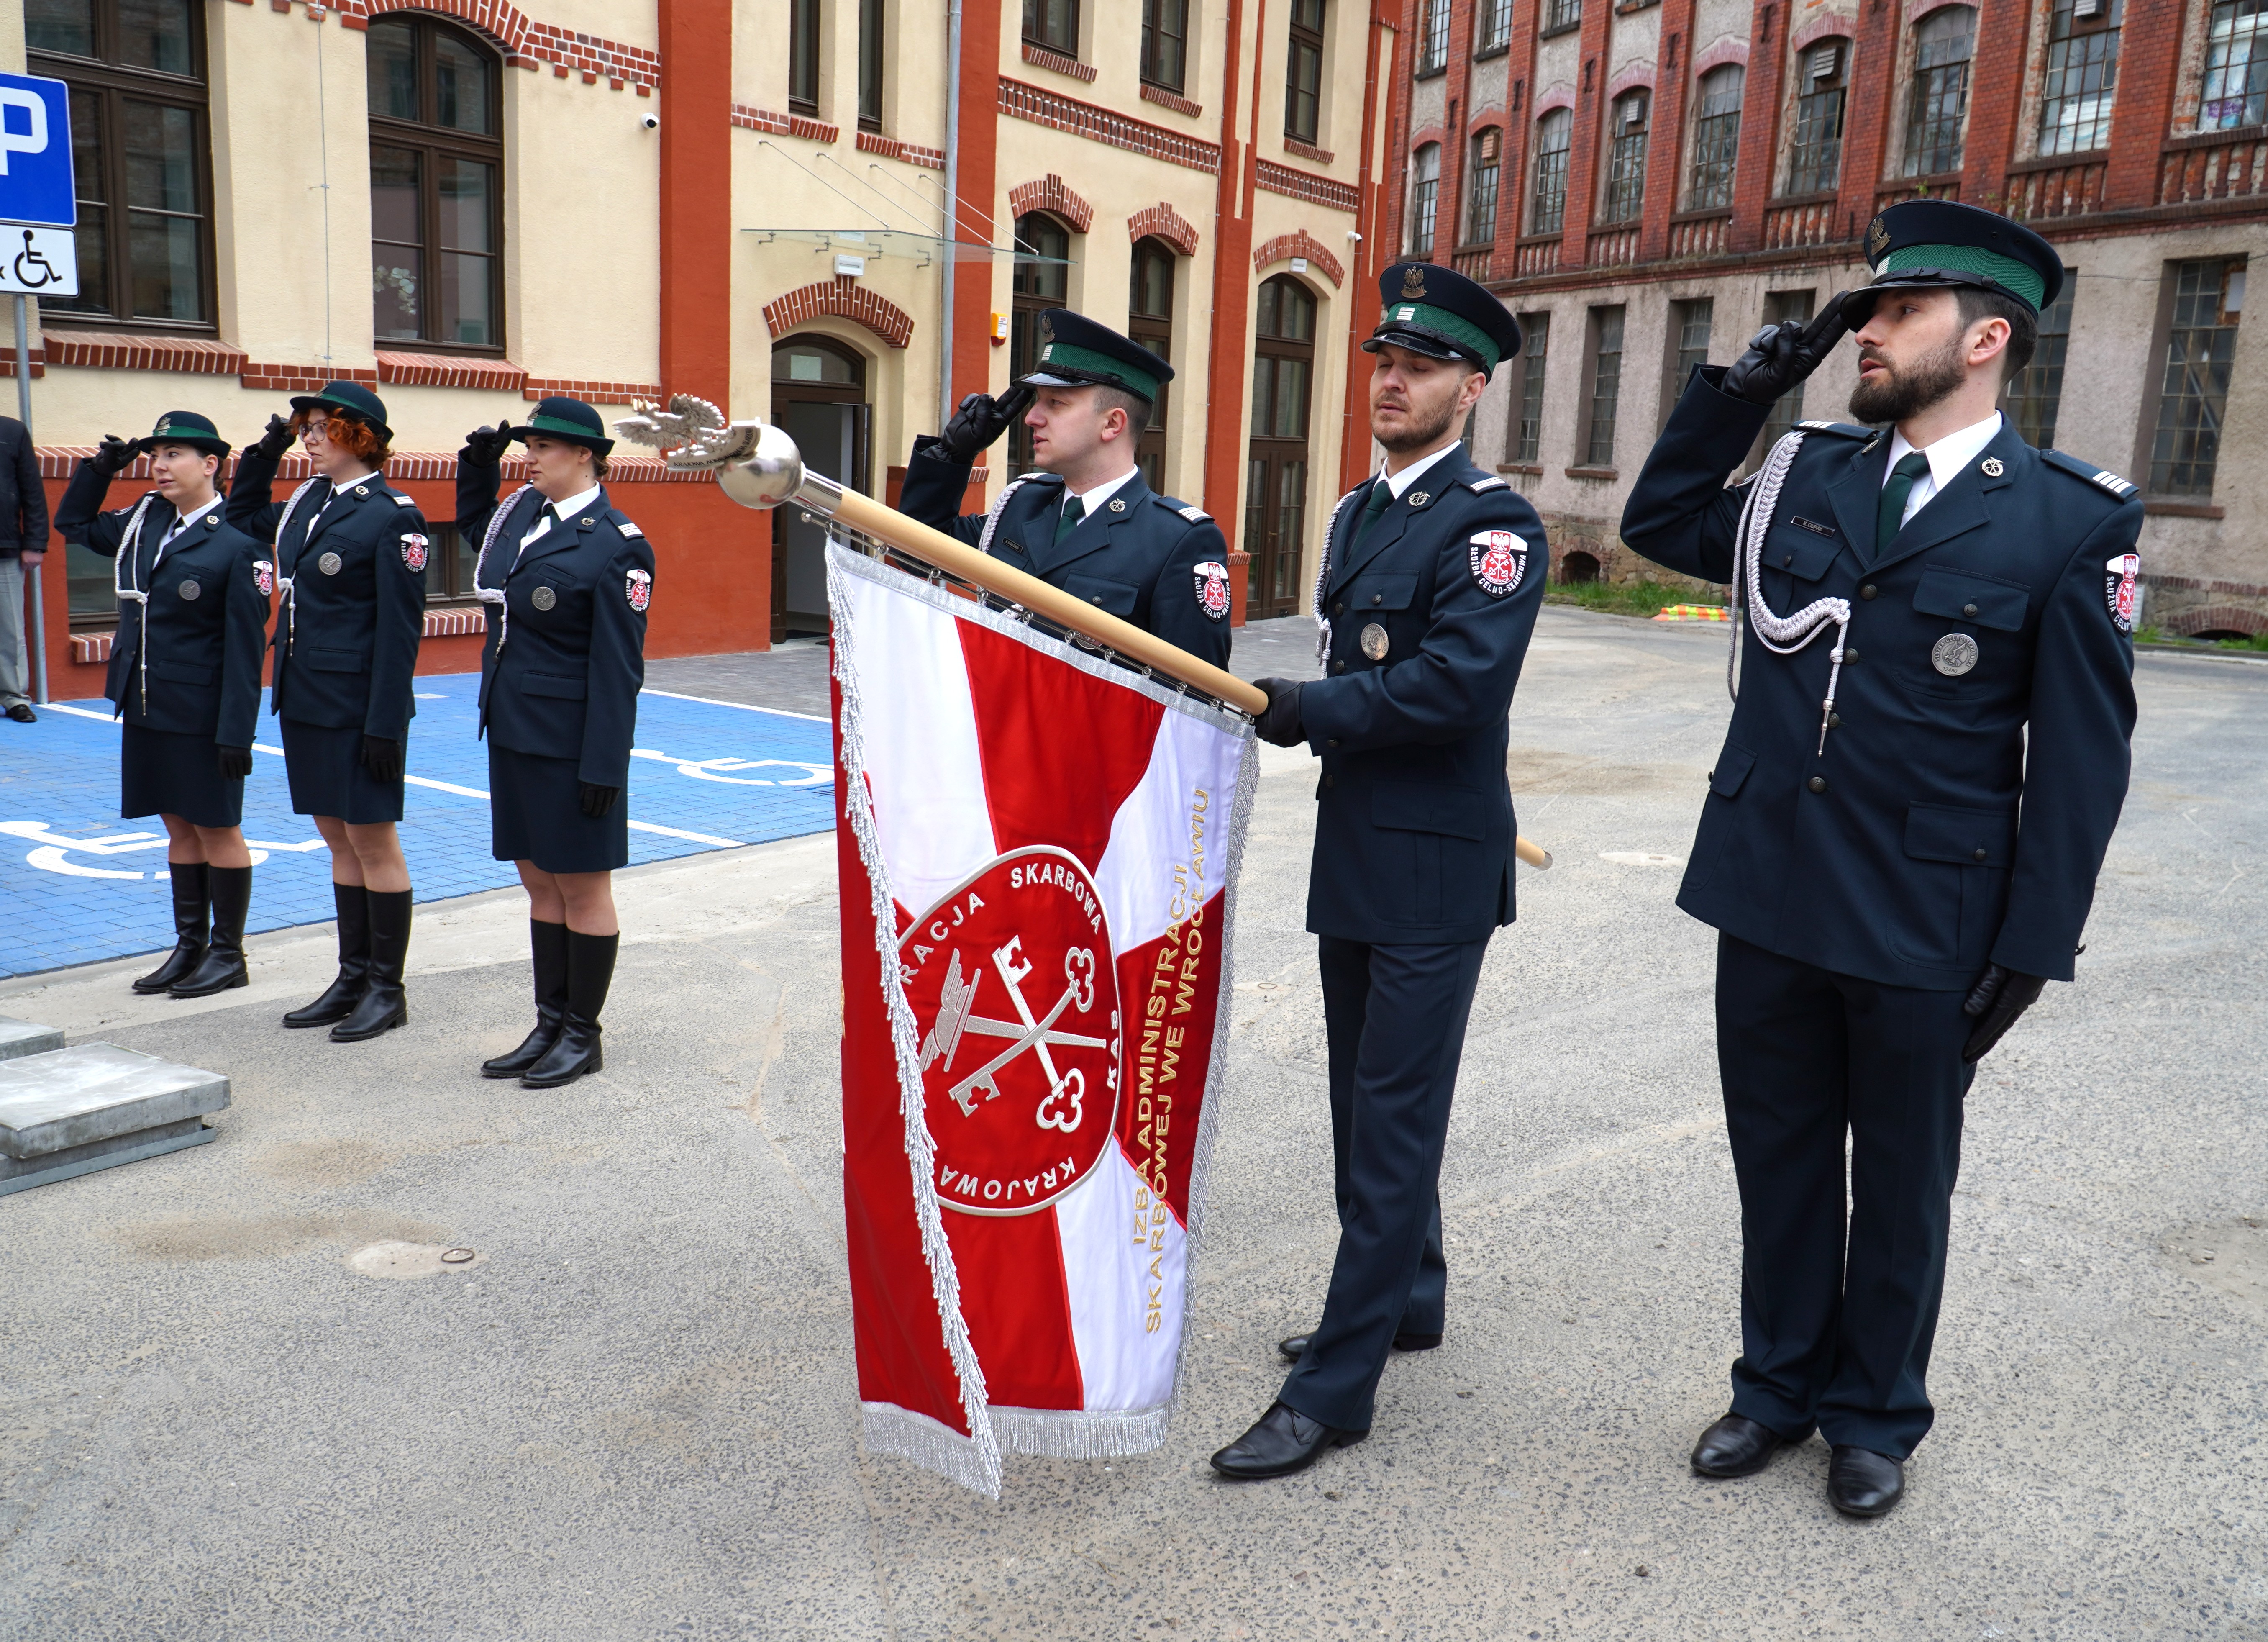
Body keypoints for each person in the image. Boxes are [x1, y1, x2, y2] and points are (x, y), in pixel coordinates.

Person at [1619, 200, 2140, 1517]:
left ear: (1985, 339)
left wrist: (2031, 946)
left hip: (1925, 910)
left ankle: (1874, 1417)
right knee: (1779, 1156)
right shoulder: (1803, 475)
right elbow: (1659, 522)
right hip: (1768, 886)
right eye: (1867, 310)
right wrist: (1735, 397)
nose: (1866, 331)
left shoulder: (2067, 520)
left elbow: (2080, 764)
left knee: (1902, 1180)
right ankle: (1773, 1389)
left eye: (1899, 313)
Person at [1212, 262, 1543, 1480]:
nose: (1391, 383)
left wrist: (1306, 708)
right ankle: (1410, 1297)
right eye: (1383, 364)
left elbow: (1456, 686)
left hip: (1435, 869)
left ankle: (1333, 1391)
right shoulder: (1359, 512)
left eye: (1418, 368)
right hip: (1357, 846)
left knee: (1392, 1120)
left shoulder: (1493, 527)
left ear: (1472, 387)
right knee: (1365, 1107)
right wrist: (1315, 704)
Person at [455, 397, 653, 1089]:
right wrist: (474, 472)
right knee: (539, 881)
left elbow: (619, 668)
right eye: (528, 446)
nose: (530, 457)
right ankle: (549, 1022)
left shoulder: (618, 544)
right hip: (515, 731)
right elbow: (475, 534)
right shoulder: (525, 520)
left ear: (585, 455)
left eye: (543, 446)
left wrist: (605, 764)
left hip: (572, 744)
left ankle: (581, 1034)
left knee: (583, 886)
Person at [227, 382, 427, 1042]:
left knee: (372, 840)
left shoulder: (393, 517)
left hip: (358, 705)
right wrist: (267, 451)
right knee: (337, 838)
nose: (308, 439)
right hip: (307, 696)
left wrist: (385, 724)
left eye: (321, 428)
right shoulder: (310, 501)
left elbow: (400, 632)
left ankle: (386, 990)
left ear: (358, 436)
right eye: (305, 428)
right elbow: (242, 514)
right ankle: (352, 977)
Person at [56, 413, 272, 996]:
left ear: (210, 465)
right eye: (155, 456)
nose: (160, 466)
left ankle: (228, 955)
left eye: (174, 455)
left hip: (203, 713)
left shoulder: (239, 543)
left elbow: (246, 652)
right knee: (177, 825)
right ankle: (189, 947)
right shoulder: (145, 523)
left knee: (218, 828)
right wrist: (100, 471)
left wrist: (237, 733)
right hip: (148, 702)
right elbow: (72, 524)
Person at [897, 309, 1233, 667]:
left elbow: (1194, 687)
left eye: (1055, 403)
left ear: (1112, 424)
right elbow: (918, 554)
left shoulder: (1175, 540)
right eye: (1036, 401)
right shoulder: (1022, 502)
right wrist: (952, 456)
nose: (1031, 418)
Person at [0, 409, 49, 723]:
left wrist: (35, 542)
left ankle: (14, 697)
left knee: (9, 629)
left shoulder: (12, 431)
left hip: (4, 546)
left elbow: (32, 490)